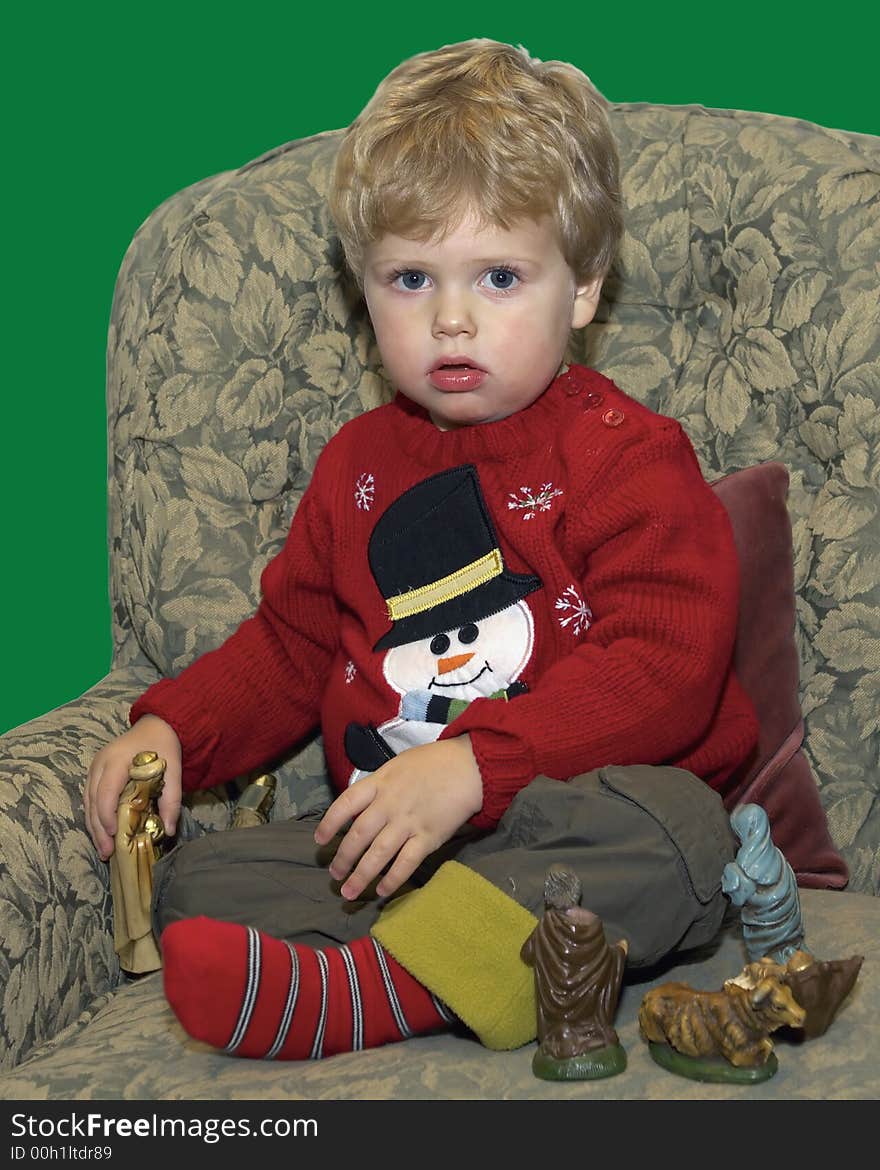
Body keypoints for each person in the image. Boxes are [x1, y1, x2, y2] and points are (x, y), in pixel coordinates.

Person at [83, 38, 760, 1061]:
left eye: (497, 275)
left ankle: (373, 992)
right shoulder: (356, 465)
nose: (451, 319)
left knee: (679, 831)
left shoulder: (628, 457)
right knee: (199, 878)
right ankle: (430, 957)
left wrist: (476, 768)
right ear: (363, 291)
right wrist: (174, 730)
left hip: (570, 829)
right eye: (410, 278)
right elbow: (288, 645)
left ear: (580, 290)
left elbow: (665, 672)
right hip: (402, 849)